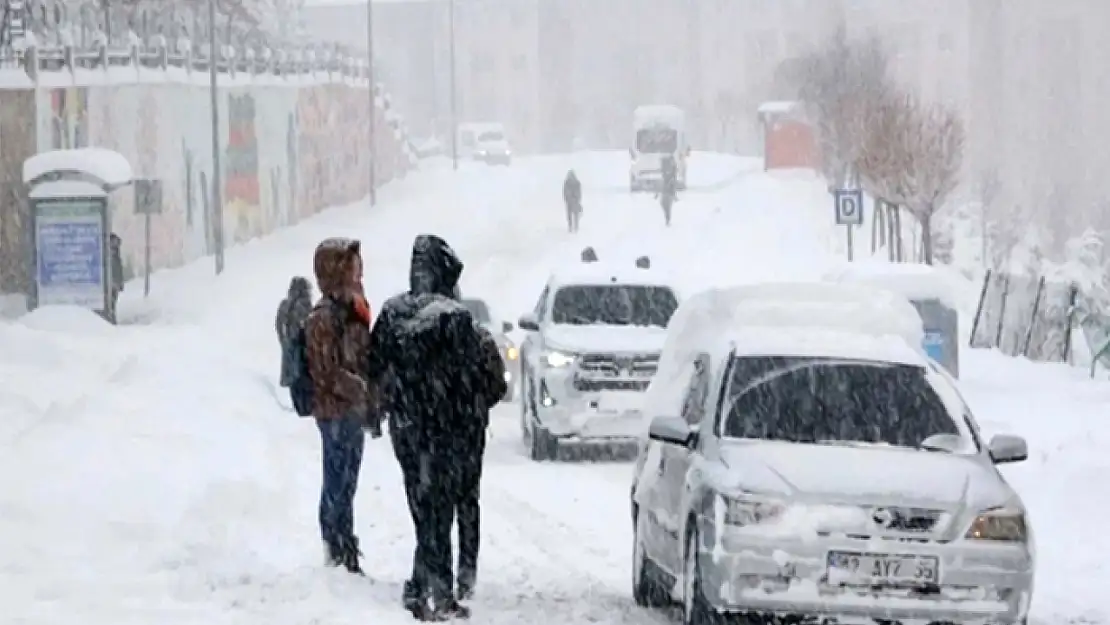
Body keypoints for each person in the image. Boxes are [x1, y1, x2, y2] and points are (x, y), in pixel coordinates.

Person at [366, 234, 503, 620]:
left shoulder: (393, 312)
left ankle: (421, 587)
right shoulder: (455, 319)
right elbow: (471, 378)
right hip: (444, 428)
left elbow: (374, 366)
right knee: (438, 510)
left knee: (422, 507)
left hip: (406, 427)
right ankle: (434, 593)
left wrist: (387, 405)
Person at [304, 237, 377, 575]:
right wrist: (359, 388)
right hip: (334, 411)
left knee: (347, 480)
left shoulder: (353, 309)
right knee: (337, 480)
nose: (358, 273)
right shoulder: (324, 317)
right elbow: (326, 372)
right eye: (351, 266)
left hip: (351, 411)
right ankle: (336, 546)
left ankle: (344, 543)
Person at [455, 323, 508, 600]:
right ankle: (466, 572)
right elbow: (498, 385)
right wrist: (475, 405)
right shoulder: (479, 337)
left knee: (434, 503)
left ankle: (431, 566)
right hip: (469, 430)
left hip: (433, 432)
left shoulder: (420, 334)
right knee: (467, 501)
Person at [275, 276, 313, 388]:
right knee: (298, 370)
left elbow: (279, 323)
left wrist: (283, 338)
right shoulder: (305, 304)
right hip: (299, 342)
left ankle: (288, 382)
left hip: (291, 340)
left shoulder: (286, 303)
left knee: (290, 365)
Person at [658, 155, 678, 226]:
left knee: (667, 206)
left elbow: (673, 176)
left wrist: (674, 194)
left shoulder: (673, 169)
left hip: (669, 192)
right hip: (666, 190)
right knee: (663, 204)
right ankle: (667, 219)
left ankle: (668, 220)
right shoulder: (667, 168)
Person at [109, 233, 124, 318]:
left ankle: (112, 316)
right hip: (111, 283)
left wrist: (120, 282)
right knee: (110, 302)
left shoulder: (116, 255)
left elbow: (118, 269)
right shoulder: (108, 256)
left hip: (114, 283)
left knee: (113, 302)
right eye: (114, 242)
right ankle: (111, 316)